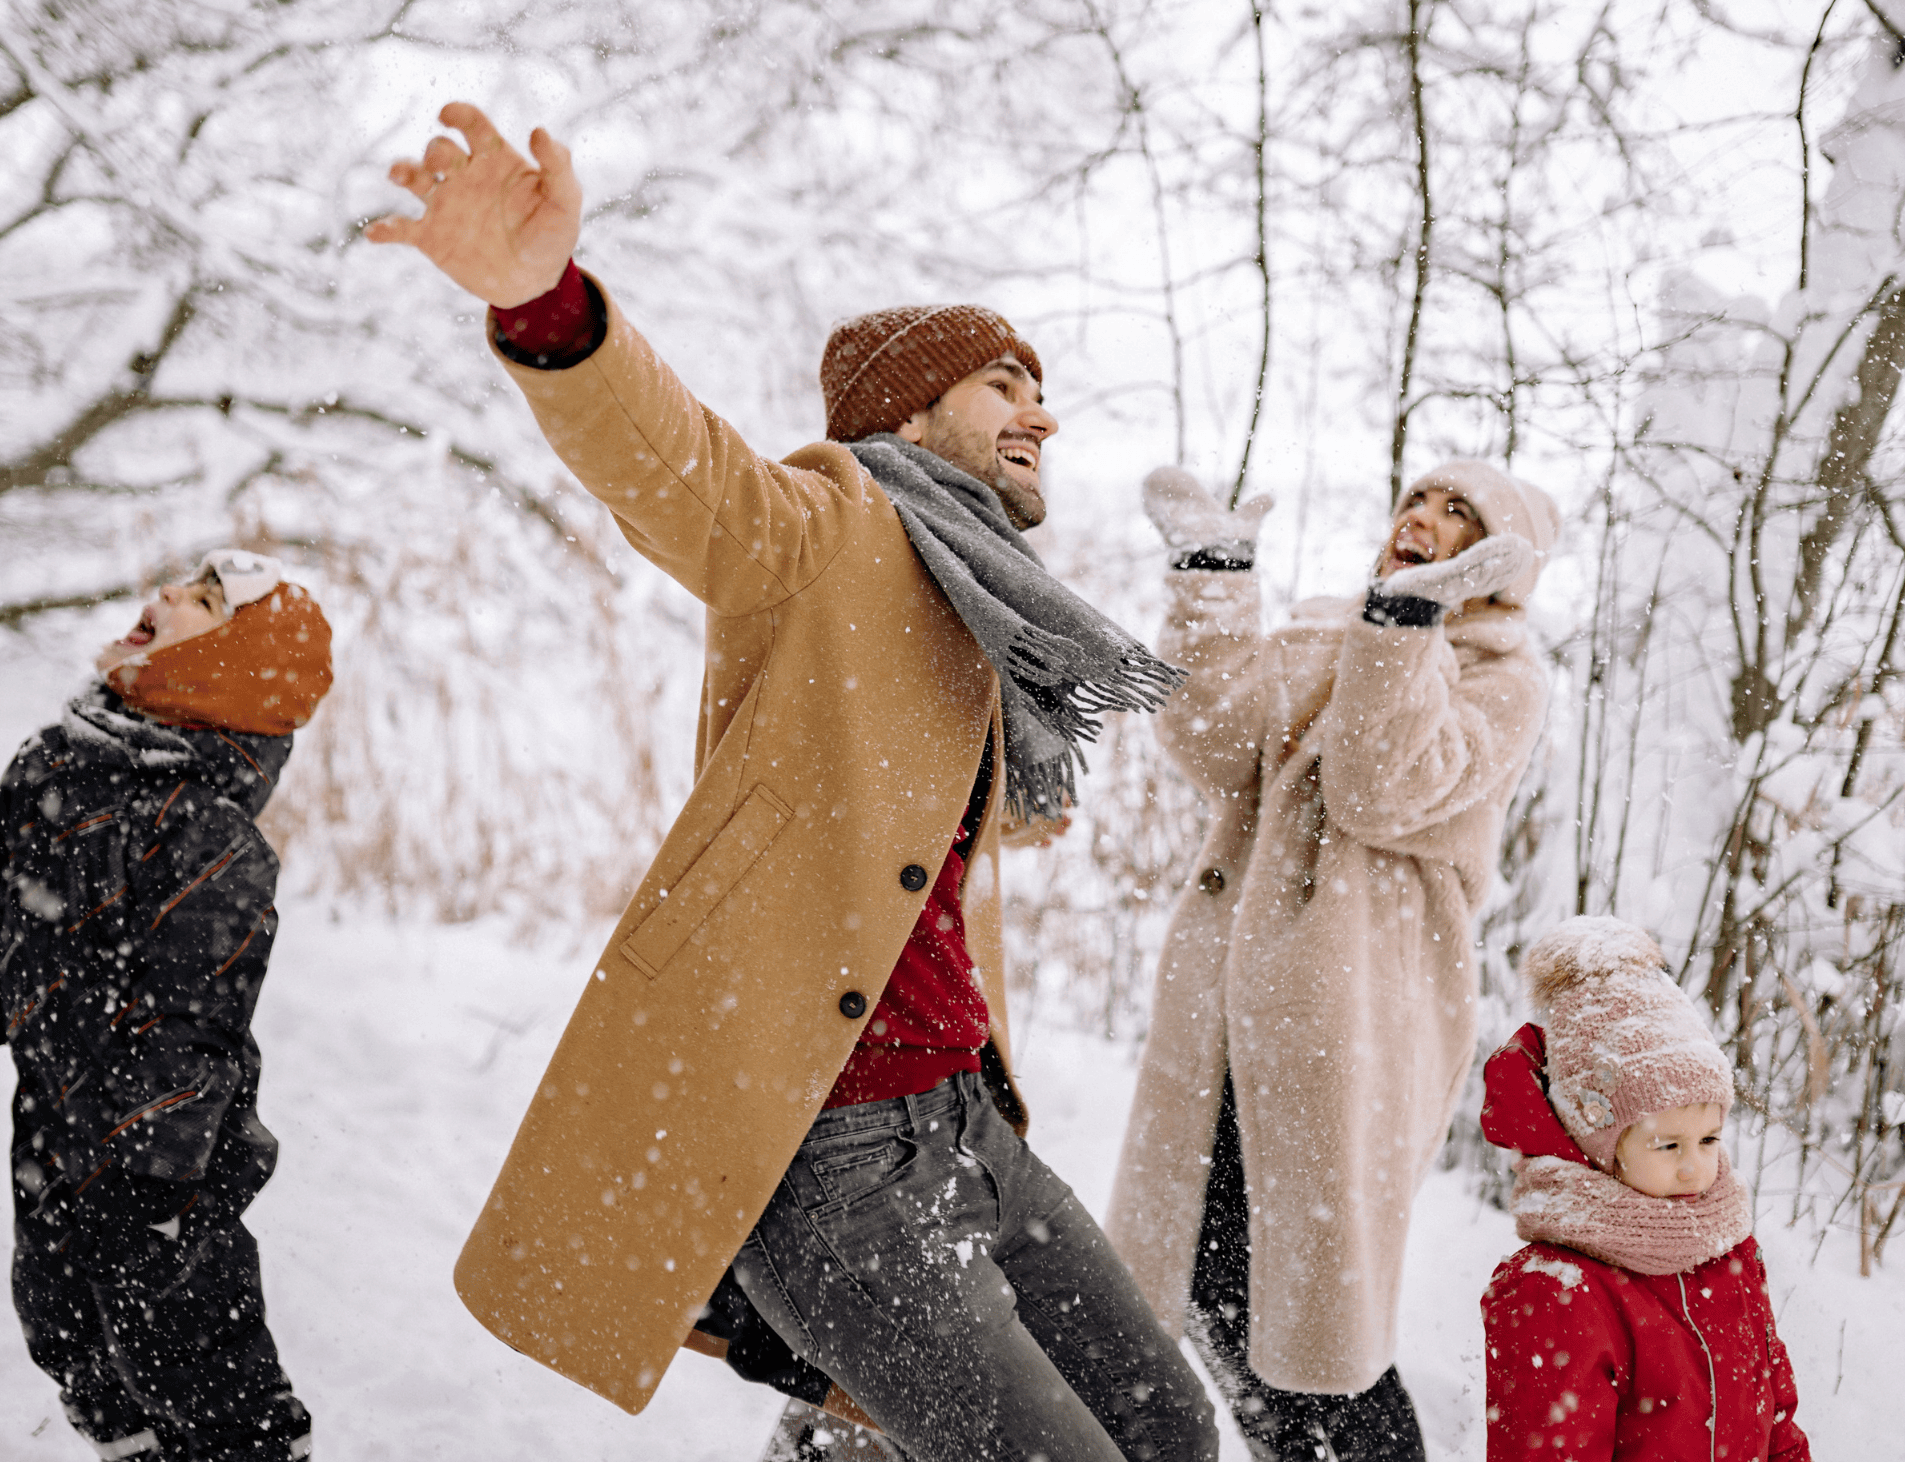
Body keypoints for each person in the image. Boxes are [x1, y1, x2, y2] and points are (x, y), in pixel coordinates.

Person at [366, 103, 1215, 1462]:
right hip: (833, 1160)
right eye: (1003, 383)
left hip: (966, 1124)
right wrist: (548, 307)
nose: (1040, 412)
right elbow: (683, 475)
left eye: (1037, 386)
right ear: (909, 410)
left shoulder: (983, 602)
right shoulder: (831, 528)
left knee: (1171, 1425)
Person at [1105, 461, 1560, 1461]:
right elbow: (1213, 739)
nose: (1422, 518)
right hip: (1225, 1015)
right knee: (1210, 1282)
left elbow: (1374, 789)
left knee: (1311, 1324)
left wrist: (1402, 631)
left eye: (1459, 516)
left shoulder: (1500, 678)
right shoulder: (1326, 622)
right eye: (1418, 499)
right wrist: (1213, 577)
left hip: (1348, 1023)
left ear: (1502, 566)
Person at [4, 551, 333, 1462]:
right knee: (66, 1328)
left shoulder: (209, 835)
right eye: (178, 585)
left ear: (227, 666)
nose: (161, 597)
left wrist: (151, 1187)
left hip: (164, 1156)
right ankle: (132, 1448)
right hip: (54, 1116)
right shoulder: (53, 771)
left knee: (193, 1352)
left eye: (203, 602)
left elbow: (195, 1023)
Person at [1478, 916, 1812, 1461]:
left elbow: (1776, 1418)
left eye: (1707, 1139)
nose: (1694, 1169)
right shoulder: (1558, 1288)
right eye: (1667, 1146)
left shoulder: (1727, 1252)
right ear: (1597, 1146)